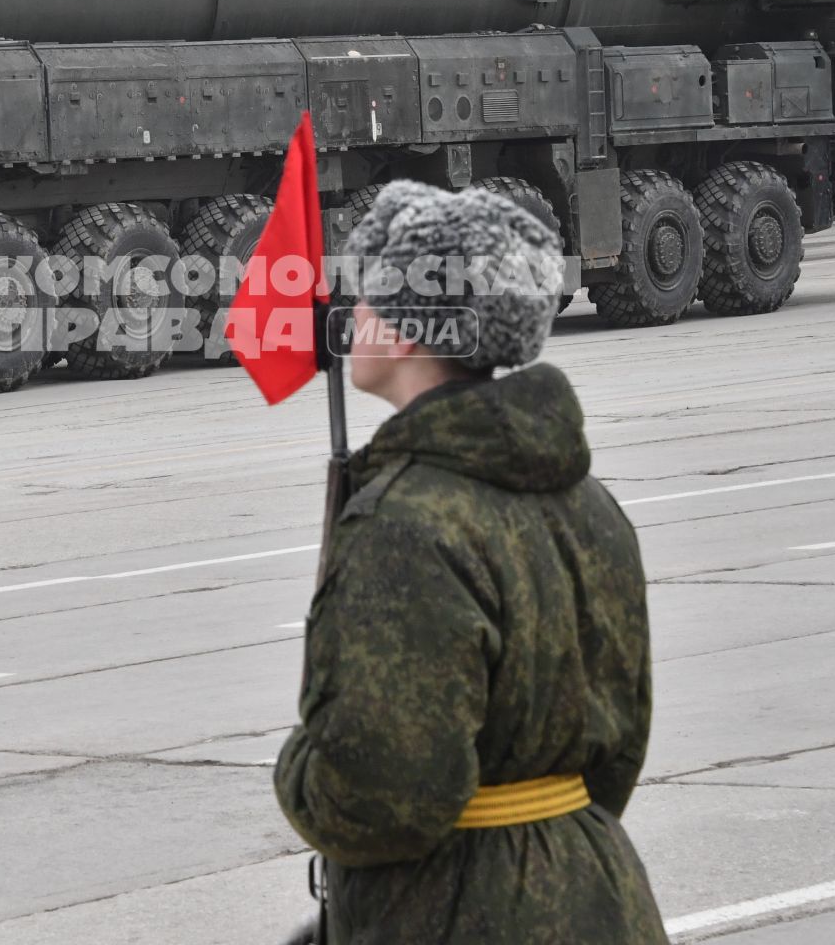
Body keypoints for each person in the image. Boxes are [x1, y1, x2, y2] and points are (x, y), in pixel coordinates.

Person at [274, 180, 666, 945]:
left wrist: (300, 766)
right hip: (600, 894)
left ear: (414, 331)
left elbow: (383, 795)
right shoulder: (589, 504)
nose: (351, 315)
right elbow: (617, 752)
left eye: (372, 296)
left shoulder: (407, 525)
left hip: (458, 913)